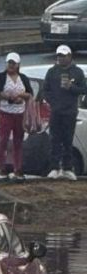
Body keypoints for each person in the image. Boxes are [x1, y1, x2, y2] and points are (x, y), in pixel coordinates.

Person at [42, 45, 87, 180]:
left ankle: (68, 168)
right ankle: (54, 168)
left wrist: (71, 87)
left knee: (68, 140)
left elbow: (84, 89)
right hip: (56, 111)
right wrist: (53, 102)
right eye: (59, 56)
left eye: (63, 56)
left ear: (69, 56)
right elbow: (46, 90)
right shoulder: (51, 72)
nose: (61, 58)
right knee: (55, 140)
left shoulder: (77, 72)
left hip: (70, 111)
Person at [0, 52, 33, 181]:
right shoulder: (0, 77)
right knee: (3, 140)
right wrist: (10, 98)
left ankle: (17, 169)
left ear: (18, 65)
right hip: (6, 113)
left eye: (13, 63)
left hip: (19, 114)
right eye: (9, 63)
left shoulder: (23, 78)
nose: (11, 65)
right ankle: (1, 168)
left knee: (18, 142)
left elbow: (30, 94)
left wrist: (21, 96)